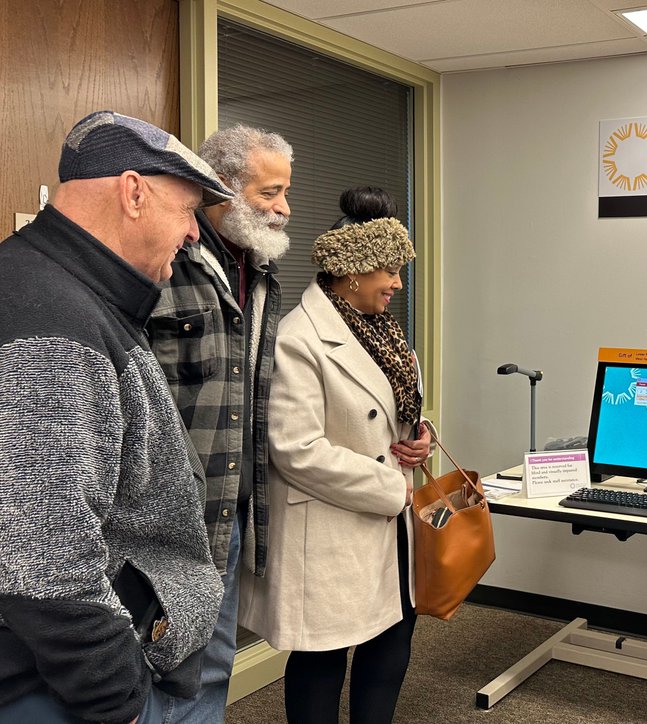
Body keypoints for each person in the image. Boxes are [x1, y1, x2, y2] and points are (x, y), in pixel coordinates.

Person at [0, 110, 230, 722]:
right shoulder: (52, 322)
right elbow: (43, 561)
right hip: (58, 692)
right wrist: (116, 699)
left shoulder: (65, 290)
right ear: (133, 192)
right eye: (186, 211)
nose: (192, 237)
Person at [238, 187, 432, 723]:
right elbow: (295, 448)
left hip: (387, 527)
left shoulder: (385, 332)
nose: (397, 284)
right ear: (352, 272)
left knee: (390, 649)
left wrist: (420, 432)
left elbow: (398, 408)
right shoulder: (299, 337)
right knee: (322, 662)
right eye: (388, 272)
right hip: (332, 526)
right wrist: (391, 486)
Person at [147, 124, 293, 719]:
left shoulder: (258, 275)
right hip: (159, 521)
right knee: (155, 670)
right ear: (222, 189)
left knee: (213, 665)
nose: (283, 209)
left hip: (227, 507)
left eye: (285, 193)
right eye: (270, 193)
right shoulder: (164, 264)